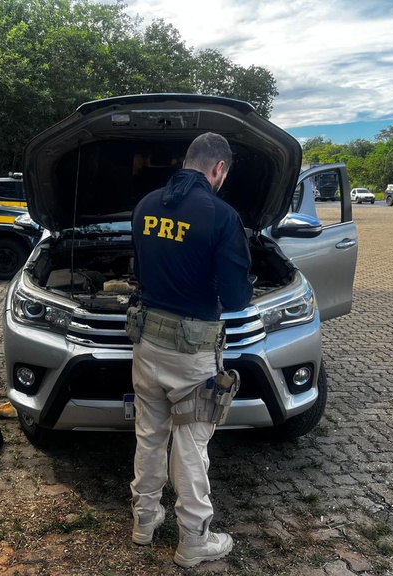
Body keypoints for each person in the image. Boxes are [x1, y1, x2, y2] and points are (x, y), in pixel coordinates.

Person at [127, 132, 253, 568]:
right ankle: (194, 540)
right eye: (225, 175)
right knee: (191, 444)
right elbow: (237, 299)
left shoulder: (145, 206)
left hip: (146, 344)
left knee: (149, 434)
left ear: (187, 161)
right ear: (218, 169)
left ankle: (144, 521)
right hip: (192, 354)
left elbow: (141, 271)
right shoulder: (221, 215)